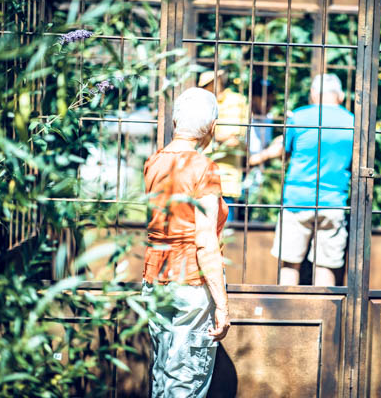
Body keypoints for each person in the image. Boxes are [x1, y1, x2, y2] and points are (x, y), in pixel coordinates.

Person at [142, 87, 230, 398]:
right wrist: (222, 305)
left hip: (155, 279)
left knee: (162, 377)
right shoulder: (204, 168)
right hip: (191, 282)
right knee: (185, 384)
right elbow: (205, 241)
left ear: (175, 122)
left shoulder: (154, 162)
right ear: (212, 127)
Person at [249, 73, 354, 286]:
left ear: (313, 94)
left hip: (296, 200)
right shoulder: (352, 122)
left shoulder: (298, 117)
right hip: (333, 201)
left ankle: (286, 307)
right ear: (341, 96)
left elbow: (285, 150)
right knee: (325, 266)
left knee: (289, 264)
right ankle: (324, 308)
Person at [199, 69, 250, 221]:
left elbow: (234, 140)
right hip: (201, 179)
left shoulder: (235, 101)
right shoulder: (203, 103)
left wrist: (206, 129)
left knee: (224, 228)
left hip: (226, 180)